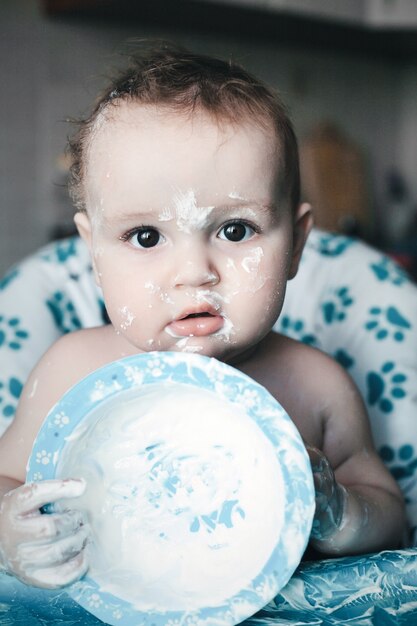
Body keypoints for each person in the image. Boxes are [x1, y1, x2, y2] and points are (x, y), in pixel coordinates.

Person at [0, 42, 406, 589]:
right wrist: (10, 536)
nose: (193, 272)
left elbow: (391, 518)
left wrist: (339, 512)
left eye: (235, 230)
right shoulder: (70, 372)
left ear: (297, 246)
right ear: (93, 253)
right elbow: (7, 480)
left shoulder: (316, 387)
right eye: (145, 236)